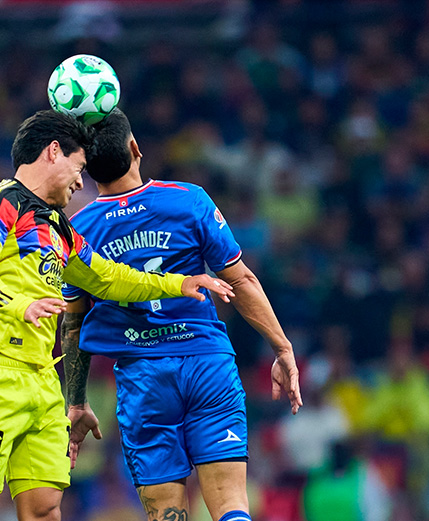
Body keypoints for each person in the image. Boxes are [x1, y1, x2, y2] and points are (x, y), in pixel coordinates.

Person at [0, 110, 234, 521]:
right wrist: (22, 305)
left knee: (45, 510)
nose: (82, 182)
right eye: (79, 169)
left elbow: (108, 278)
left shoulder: (59, 228)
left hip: (44, 385)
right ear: (53, 152)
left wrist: (178, 283)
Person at [61, 108, 302, 521]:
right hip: (206, 363)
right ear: (135, 148)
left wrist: (77, 400)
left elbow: (74, 321)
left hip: (144, 379)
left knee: (168, 514)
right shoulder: (188, 199)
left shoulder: (78, 229)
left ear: (85, 169)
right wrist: (282, 348)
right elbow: (242, 280)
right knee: (231, 504)